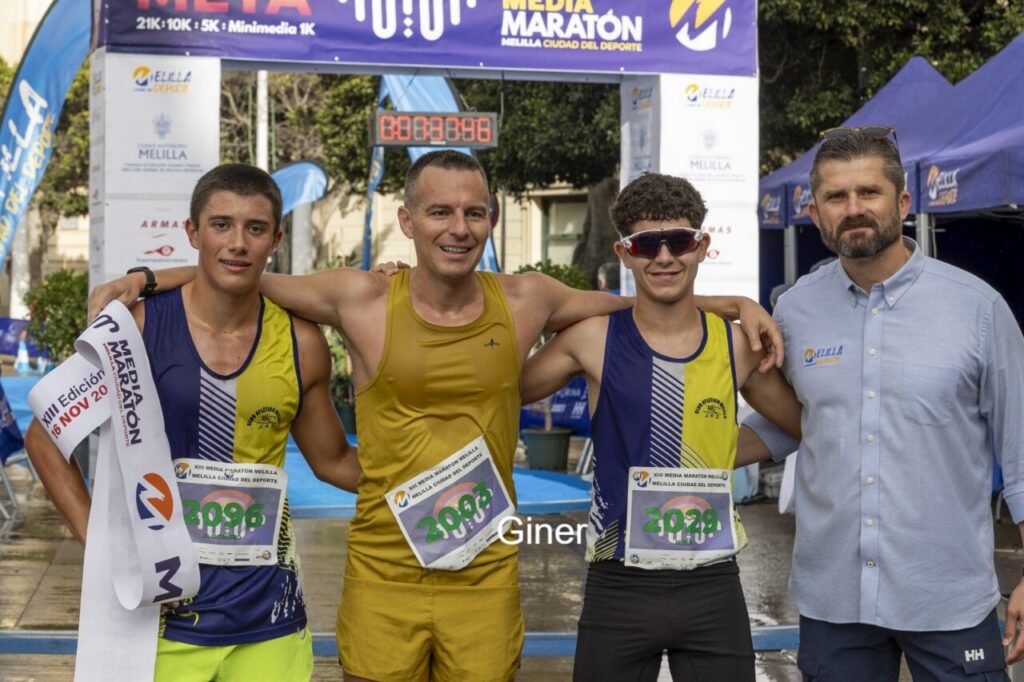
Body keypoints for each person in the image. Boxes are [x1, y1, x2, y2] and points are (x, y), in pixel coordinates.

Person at [90, 150, 783, 681]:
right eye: (441, 213)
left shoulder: (527, 299)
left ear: (489, 218)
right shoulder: (360, 298)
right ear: (408, 221)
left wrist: (732, 306)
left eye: (474, 213)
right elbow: (238, 269)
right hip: (382, 571)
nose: (459, 228)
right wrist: (145, 279)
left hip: (484, 572)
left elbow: (649, 301)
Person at [25, 164, 360, 681]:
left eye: (254, 228)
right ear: (192, 232)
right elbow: (46, 436)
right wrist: (105, 551)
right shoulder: (137, 328)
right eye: (221, 225)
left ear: (276, 238)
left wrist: (424, 472)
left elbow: (336, 461)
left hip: (268, 619)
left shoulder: (303, 343)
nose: (237, 243)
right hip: (161, 626)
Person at [738, 127, 1024, 680]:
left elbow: (1021, 454)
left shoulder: (978, 310)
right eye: (836, 197)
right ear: (815, 211)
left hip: (948, 599)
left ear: (904, 203)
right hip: (833, 602)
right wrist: (670, 454)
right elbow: (787, 428)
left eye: (868, 193)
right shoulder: (795, 311)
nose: (853, 210)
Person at [520, 172, 802, 681]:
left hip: (712, 582)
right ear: (625, 253)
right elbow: (496, 388)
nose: (666, 256)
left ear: (702, 246)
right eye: (648, 244)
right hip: (618, 584)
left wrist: (715, 452)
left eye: (680, 241)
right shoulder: (591, 338)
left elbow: (803, 424)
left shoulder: (735, 343)